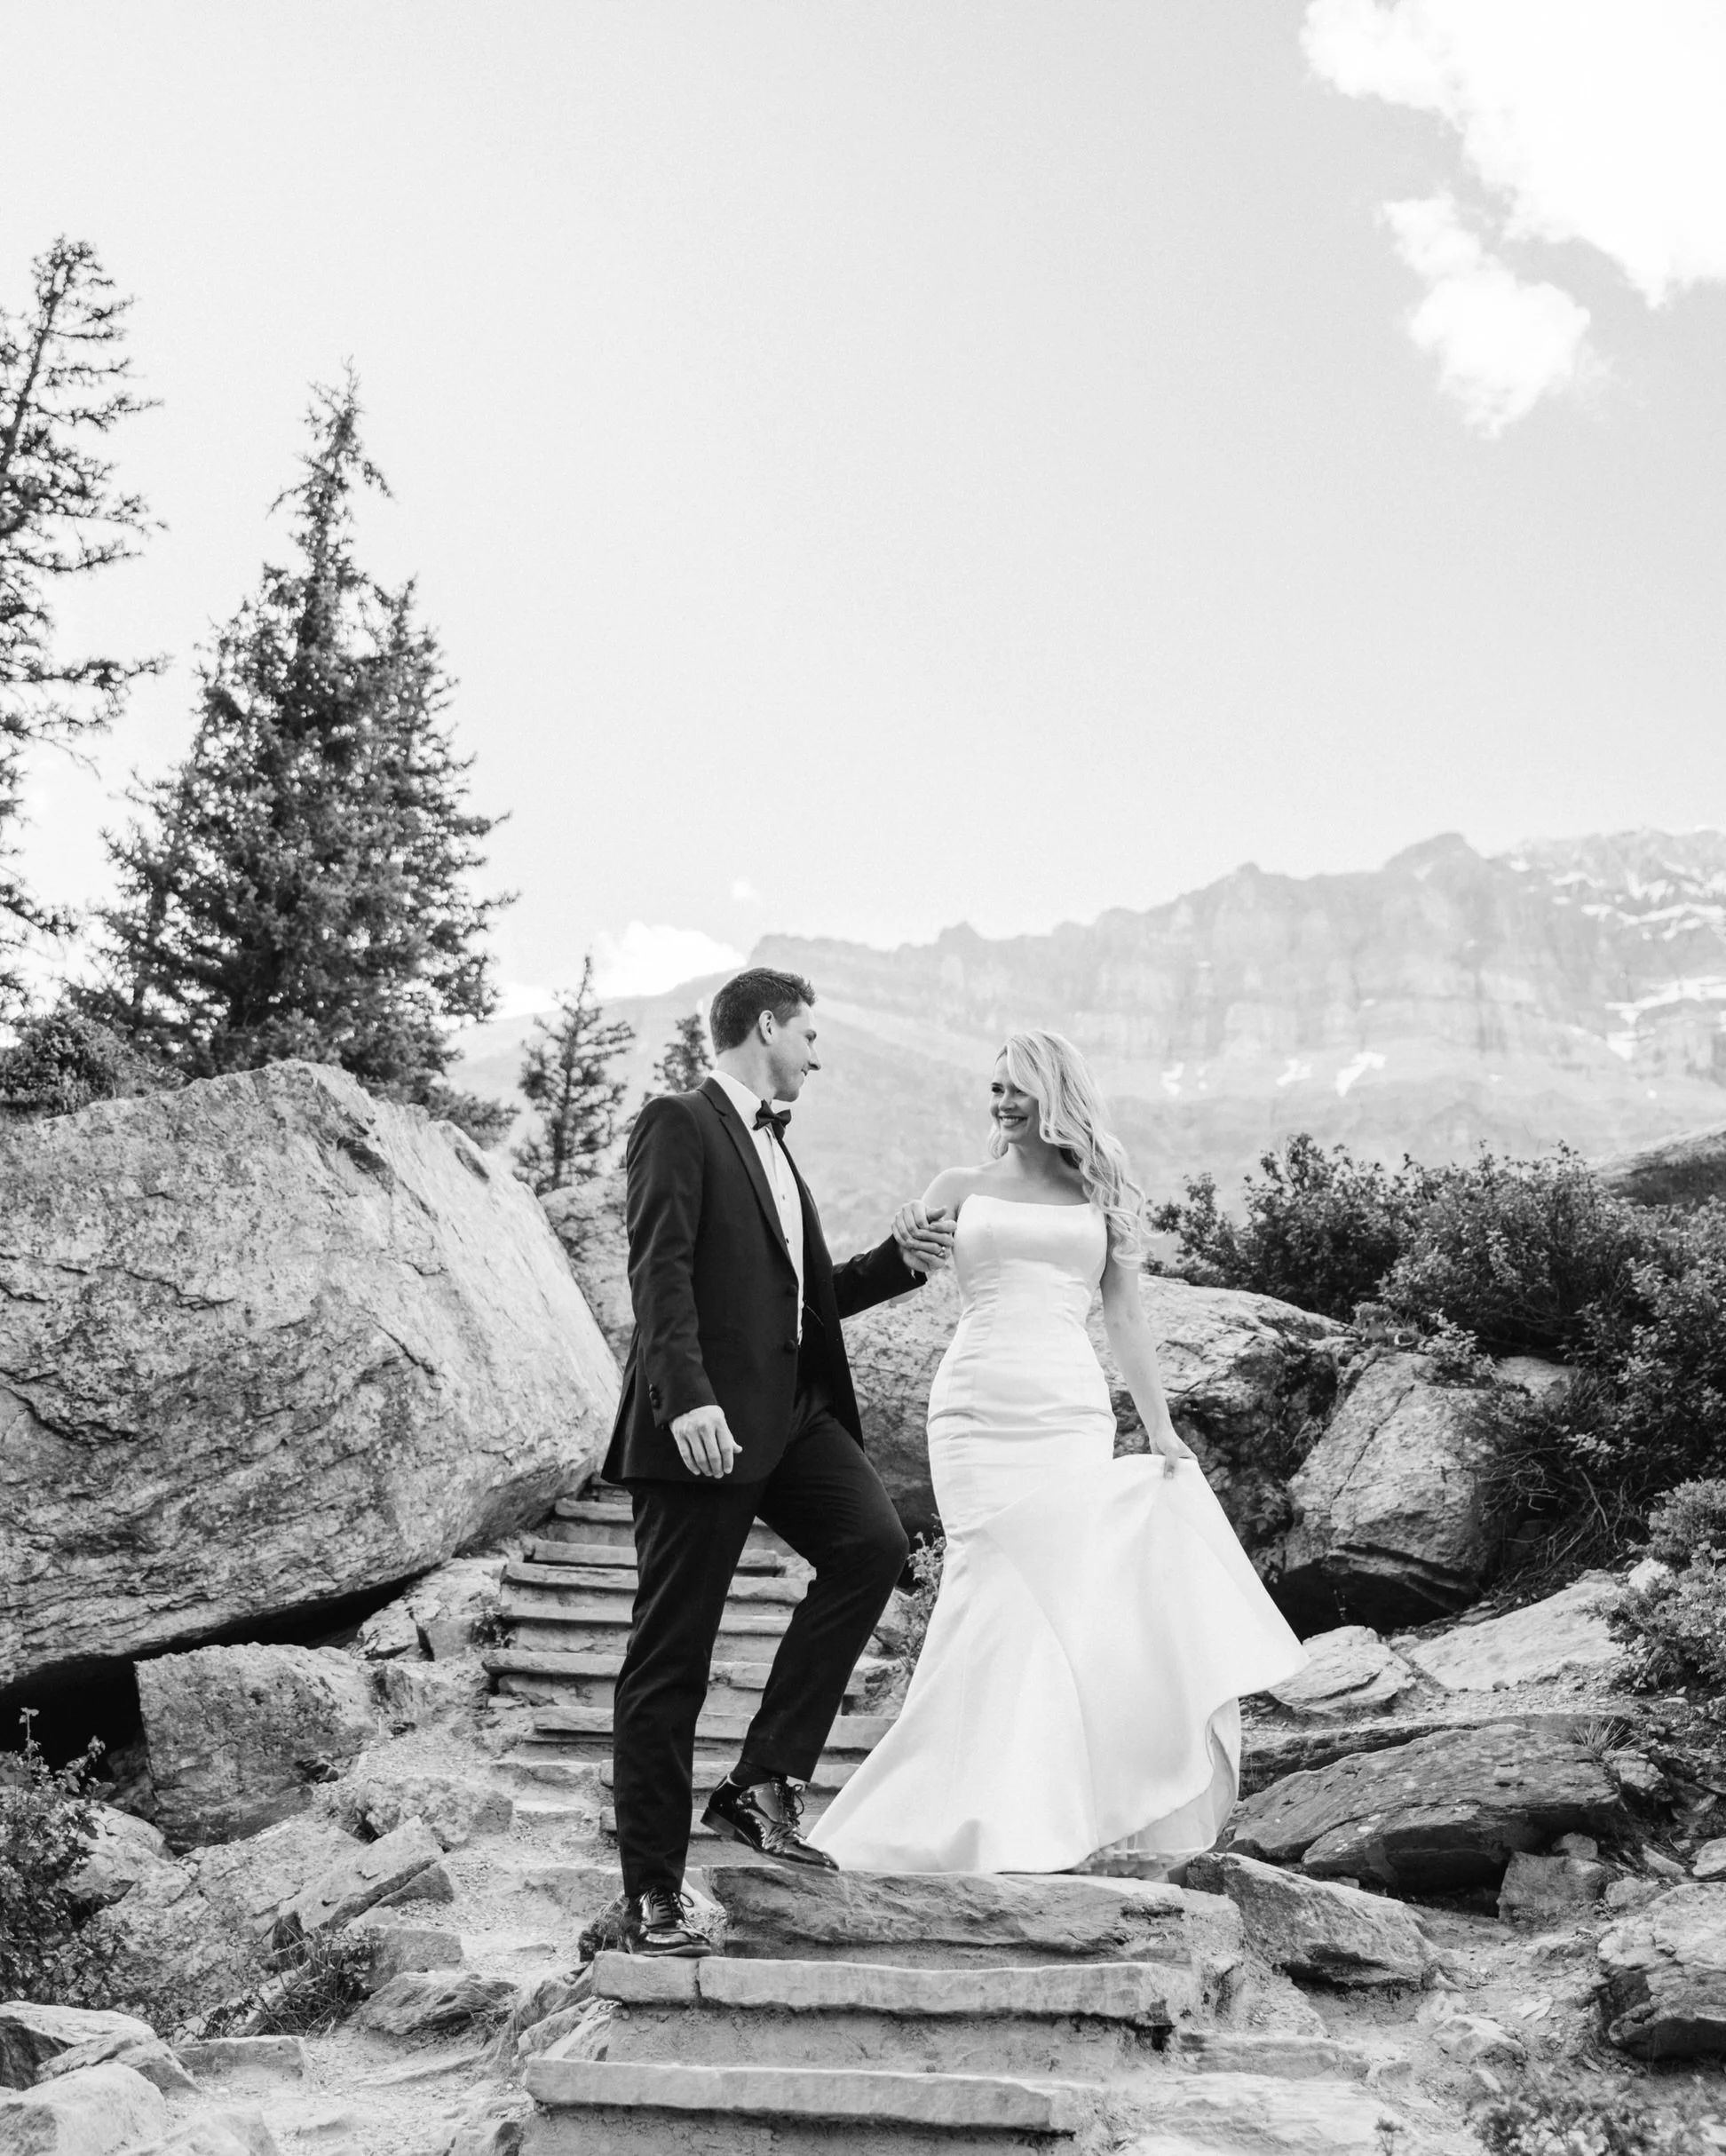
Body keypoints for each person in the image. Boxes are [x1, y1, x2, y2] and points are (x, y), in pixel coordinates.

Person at [810, 1028, 1306, 1875]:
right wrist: (905, 1238)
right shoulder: (958, 1186)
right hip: (973, 1407)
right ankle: (953, 1810)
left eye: (1016, 1089)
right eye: (993, 1088)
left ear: (1054, 1095)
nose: (1001, 1103)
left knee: (1058, 1607)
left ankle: (1048, 1810)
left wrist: (1159, 1429)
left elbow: (1125, 1319)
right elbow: (900, 1265)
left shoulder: (1099, 1193)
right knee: (984, 1590)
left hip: (1068, 1408)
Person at [603, 966, 954, 1955]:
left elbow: (798, 1300)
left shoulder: (778, 1155)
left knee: (871, 1545)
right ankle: (652, 1894)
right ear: (766, 1026)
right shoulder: (679, 1121)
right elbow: (659, 1269)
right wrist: (687, 1396)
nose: (817, 1053)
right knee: (671, 1658)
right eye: (808, 1034)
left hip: (793, 1418)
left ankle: (760, 1781)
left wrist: (898, 1260)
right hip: (701, 1433)